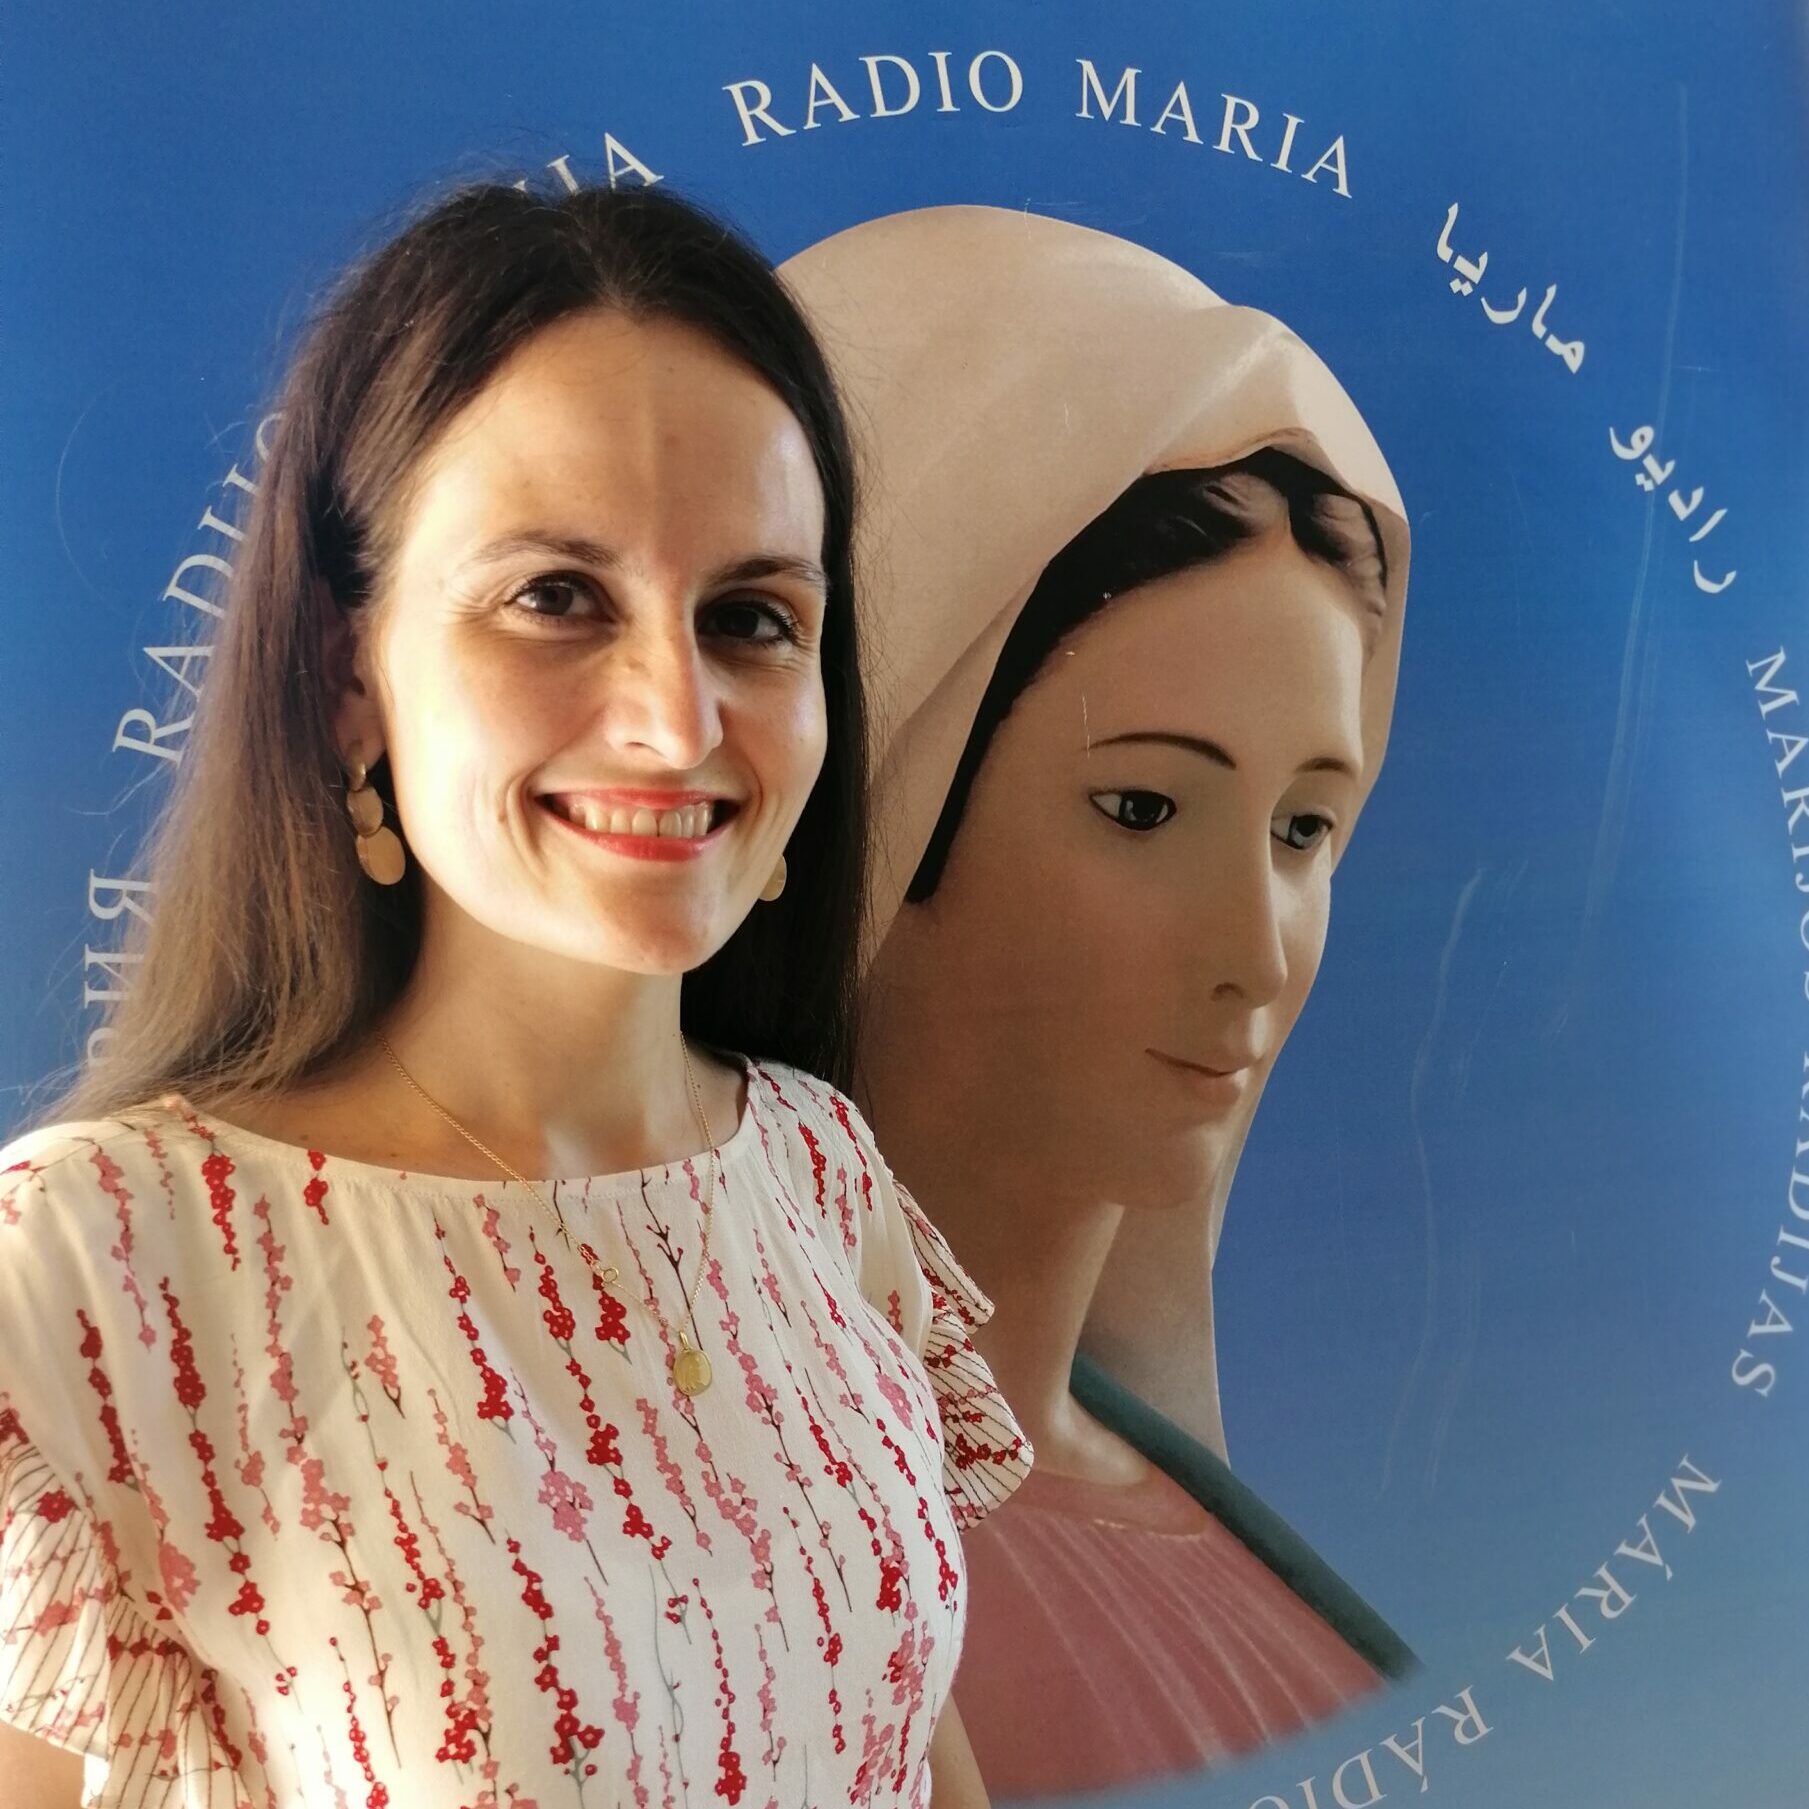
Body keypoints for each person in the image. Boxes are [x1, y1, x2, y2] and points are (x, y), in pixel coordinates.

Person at [0, 182, 1030, 1809]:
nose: (677, 718)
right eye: (556, 596)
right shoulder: (91, 1277)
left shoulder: (822, 1178)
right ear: (347, 672)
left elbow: (908, 1751)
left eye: (751, 618)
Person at [778, 206, 1415, 1798]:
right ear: (884, 792)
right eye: (1142, 808)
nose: (1256, 951)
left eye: (1304, 830)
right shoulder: (709, 1537)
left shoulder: (1272, 1591)